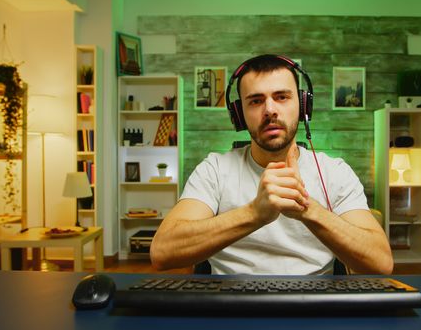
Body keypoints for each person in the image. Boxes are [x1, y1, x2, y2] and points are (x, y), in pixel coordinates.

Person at [150, 54, 393, 275]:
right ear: (239, 114)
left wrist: (308, 210)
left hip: (314, 304)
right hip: (229, 304)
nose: (270, 110)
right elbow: (162, 253)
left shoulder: (334, 171)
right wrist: (254, 213)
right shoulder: (214, 169)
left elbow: (381, 262)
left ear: (303, 106)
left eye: (282, 97)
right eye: (255, 101)